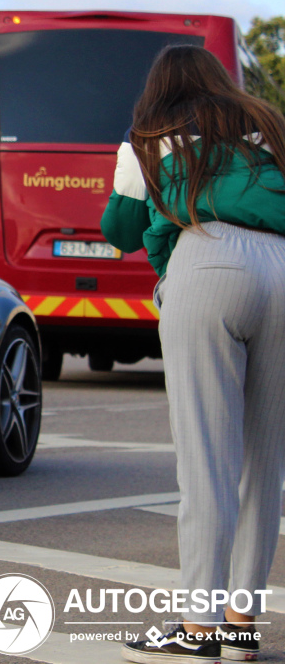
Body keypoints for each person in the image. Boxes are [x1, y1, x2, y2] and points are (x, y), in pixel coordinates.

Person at [101, 45, 285, 663]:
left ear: (158, 88)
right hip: (284, 268)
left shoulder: (149, 136)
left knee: (207, 456)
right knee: (266, 457)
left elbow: (120, 232)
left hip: (207, 261)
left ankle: (200, 624)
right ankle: (240, 624)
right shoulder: (270, 123)